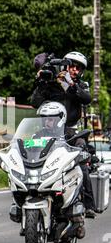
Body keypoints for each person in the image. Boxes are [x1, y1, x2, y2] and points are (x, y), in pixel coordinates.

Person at [31, 51, 96, 218]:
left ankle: (89, 204)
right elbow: (35, 102)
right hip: (48, 131)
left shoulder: (81, 85)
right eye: (72, 66)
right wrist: (40, 83)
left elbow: (86, 98)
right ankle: (28, 195)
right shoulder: (51, 84)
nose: (74, 70)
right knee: (31, 151)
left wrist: (69, 84)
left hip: (72, 132)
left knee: (82, 158)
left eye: (78, 68)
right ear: (65, 66)